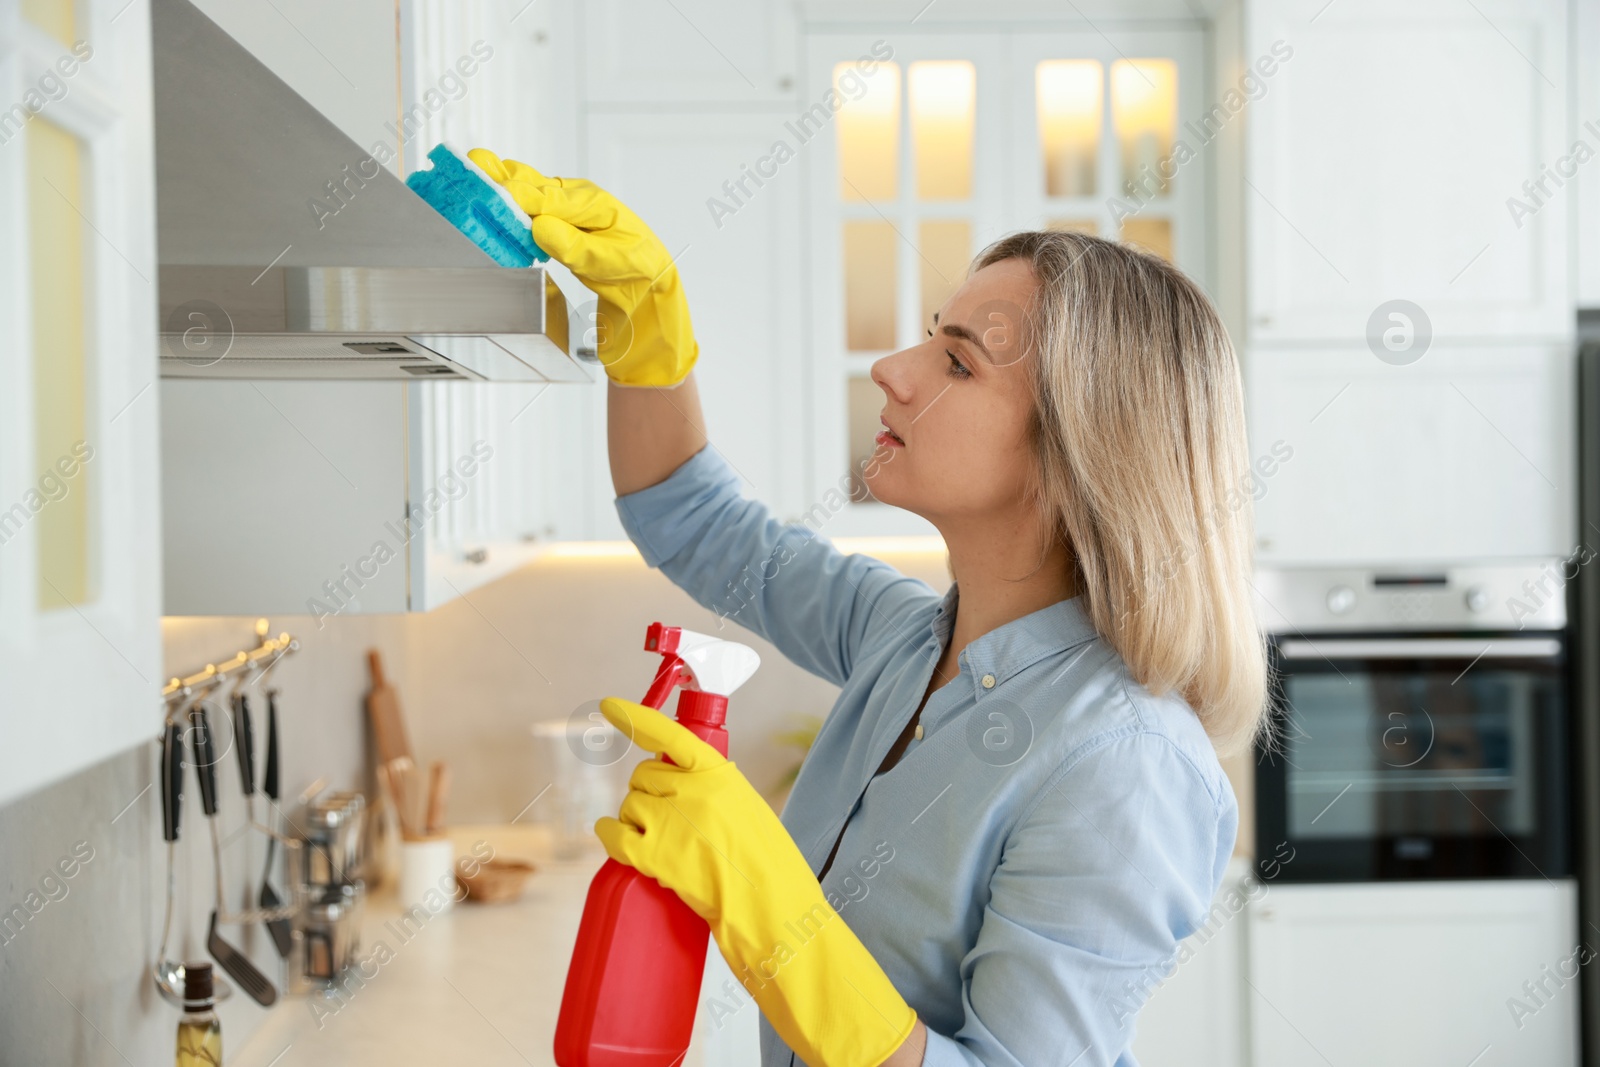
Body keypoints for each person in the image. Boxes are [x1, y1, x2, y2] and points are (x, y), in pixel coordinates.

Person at [469, 148, 1271, 1067]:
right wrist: (650, 326)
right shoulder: (904, 640)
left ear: (1076, 452)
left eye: (958, 365)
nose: (893, 368)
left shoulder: (1127, 764)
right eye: (934, 336)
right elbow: (696, 524)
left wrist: (772, 903)